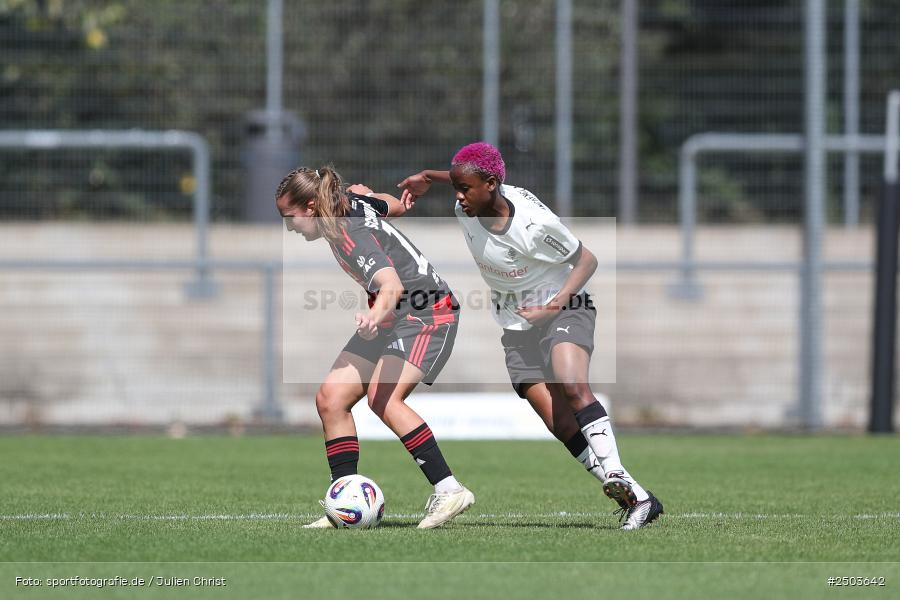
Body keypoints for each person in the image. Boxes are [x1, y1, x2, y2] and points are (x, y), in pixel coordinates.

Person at [394, 142, 663, 530]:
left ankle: (617, 474)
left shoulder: (533, 225)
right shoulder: (468, 203)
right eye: (455, 187)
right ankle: (638, 498)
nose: (458, 196)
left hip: (564, 309)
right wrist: (427, 178)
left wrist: (553, 306)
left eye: (464, 188)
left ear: (490, 184)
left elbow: (586, 259)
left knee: (572, 385)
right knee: (559, 423)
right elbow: (460, 179)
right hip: (515, 324)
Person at [276, 165, 474, 529]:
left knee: (384, 399)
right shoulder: (349, 204)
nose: (288, 226)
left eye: (289, 218)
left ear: (309, 207)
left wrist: (374, 315)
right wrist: (395, 202)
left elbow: (391, 286)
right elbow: (390, 207)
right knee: (330, 400)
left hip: (427, 314)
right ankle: (343, 502)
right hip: (393, 317)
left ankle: (450, 490)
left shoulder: (351, 232)